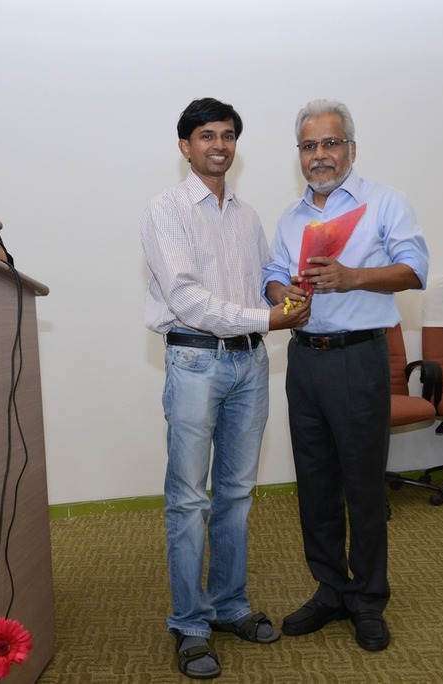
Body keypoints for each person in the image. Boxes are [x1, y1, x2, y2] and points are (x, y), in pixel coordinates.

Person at [141, 97, 310, 680]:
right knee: (190, 500)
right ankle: (189, 622)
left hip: (249, 364)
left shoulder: (247, 215)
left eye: (228, 135)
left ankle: (229, 605)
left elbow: (263, 279)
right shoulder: (165, 210)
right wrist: (270, 318)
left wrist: (285, 294)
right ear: (185, 146)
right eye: (207, 135)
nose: (220, 145)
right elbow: (187, 299)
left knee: (236, 494)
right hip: (194, 360)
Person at [262, 99, 430, 653]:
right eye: (309, 146)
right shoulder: (290, 218)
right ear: (299, 154)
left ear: (351, 149)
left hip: (359, 359)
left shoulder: (385, 201)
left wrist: (352, 277)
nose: (320, 155)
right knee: (315, 485)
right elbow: (270, 274)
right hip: (304, 360)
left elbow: (414, 269)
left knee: (362, 486)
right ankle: (330, 589)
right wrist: (281, 291)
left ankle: (368, 598)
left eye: (330, 143)